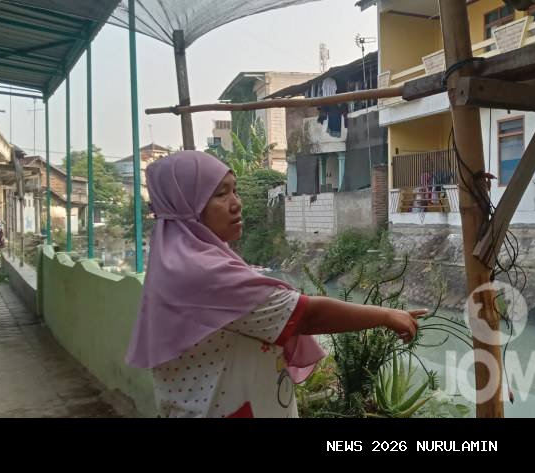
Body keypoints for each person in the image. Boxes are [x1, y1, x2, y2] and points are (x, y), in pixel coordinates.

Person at [125, 151, 424, 418]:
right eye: (220, 194)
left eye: (235, 191)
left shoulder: (182, 260)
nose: (236, 203)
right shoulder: (201, 272)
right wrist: (385, 316)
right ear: (187, 205)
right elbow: (304, 314)